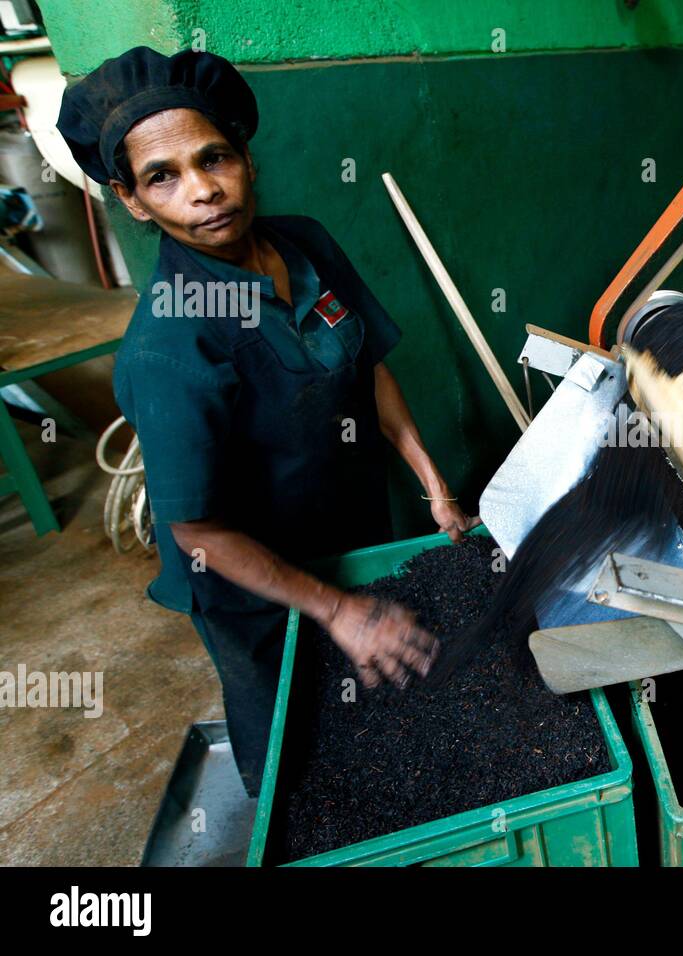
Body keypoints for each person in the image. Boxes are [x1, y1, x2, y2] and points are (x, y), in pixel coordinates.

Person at [57, 46, 477, 795]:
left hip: (350, 532)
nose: (202, 192)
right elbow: (199, 532)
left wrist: (432, 483)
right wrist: (335, 609)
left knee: (383, 709)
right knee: (293, 742)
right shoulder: (170, 344)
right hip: (250, 584)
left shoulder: (305, 242)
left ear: (245, 157)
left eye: (213, 157)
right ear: (130, 199)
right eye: (163, 176)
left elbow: (366, 364)